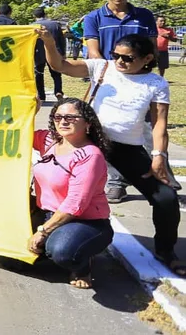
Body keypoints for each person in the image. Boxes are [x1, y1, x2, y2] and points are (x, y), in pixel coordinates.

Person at [37, 29, 183, 275]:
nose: (120, 62)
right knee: (71, 193)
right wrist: (50, 42)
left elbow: (159, 123)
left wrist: (159, 155)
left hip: (126, 148)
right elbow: (60, 65)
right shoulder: (101, 68)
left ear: (147, 58)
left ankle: (165, 250)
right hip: (88, 142)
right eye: (116, 55)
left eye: (128, 58)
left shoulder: (155, 83)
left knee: (166, 198)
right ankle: (78, 244)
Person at [82, 0, 159, 202]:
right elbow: (93, 52)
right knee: (109, 130)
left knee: (145, 129)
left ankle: (159, 174)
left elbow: (151, 48)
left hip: (139, 82)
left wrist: (142, 71)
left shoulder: (144, 16)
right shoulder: (94, 18)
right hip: (109, 83)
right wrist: (110, 72)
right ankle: (117, 182)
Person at [29, 98, 113, 289]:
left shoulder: (90, 155)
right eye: (58, 117)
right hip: (48, 214)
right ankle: (52, 252)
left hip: (85, 221)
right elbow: (17, 134)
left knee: (62, 251)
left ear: (88, 123)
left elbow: (75, 204)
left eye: (70, 117)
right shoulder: (49, 140)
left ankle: (82, 265)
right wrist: (31, 111)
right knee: (11, 260)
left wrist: (42, 232)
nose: (63, 121)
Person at [32, 7, 65, 102]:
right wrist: (62, 53)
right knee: (56, 73)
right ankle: (58, 91)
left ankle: (41, 95)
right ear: (44, 14)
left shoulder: (32, 26)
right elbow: (61, 40)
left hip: (38, 53)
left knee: (39, 74)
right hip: (54, 52)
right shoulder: (55, 24)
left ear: (34, 16)